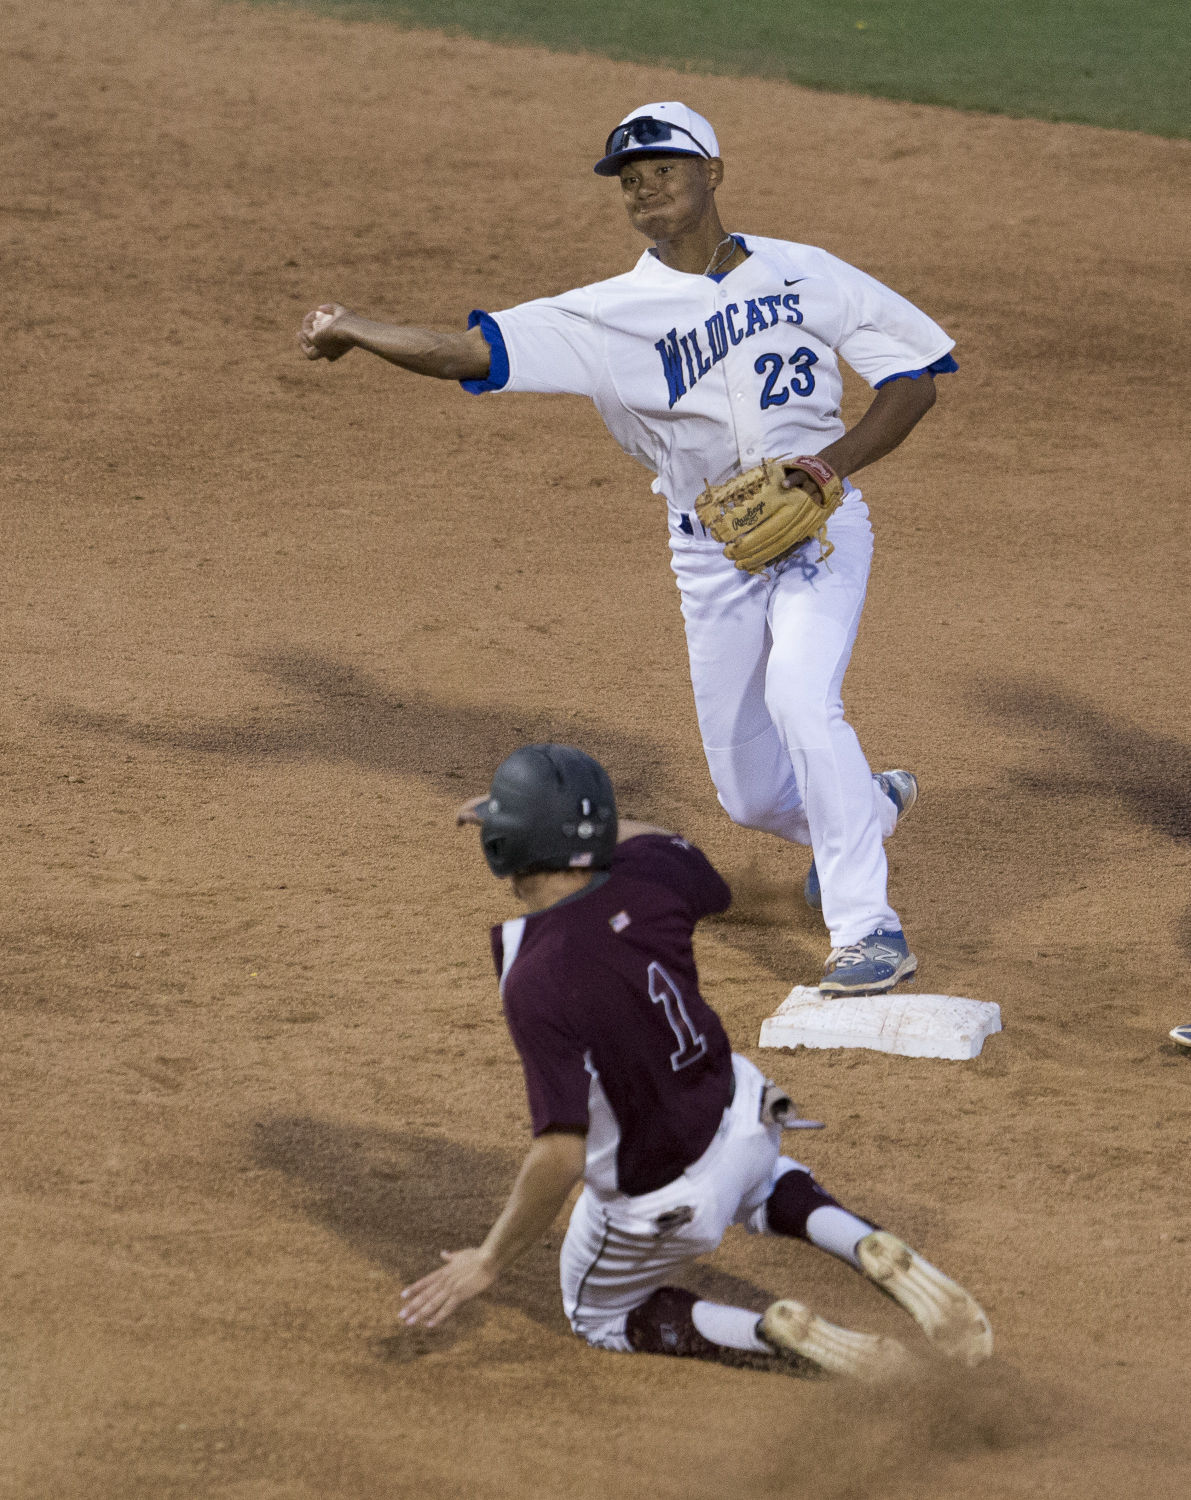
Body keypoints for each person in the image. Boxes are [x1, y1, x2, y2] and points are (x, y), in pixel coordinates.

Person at [299, 102, 957, 995]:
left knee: (805, 702)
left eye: (663, 168)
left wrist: (826, 471)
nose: (646, 187)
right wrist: (353, 326)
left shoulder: (809, 275)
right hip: (710, 555)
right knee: (753, 797)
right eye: (630, 178)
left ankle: (867, 929)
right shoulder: (604, 314)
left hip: (820, 529)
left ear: (712, 171)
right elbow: (466, 352)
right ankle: (867, 806)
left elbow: (913, 381)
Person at [397, 743, 992, 1377]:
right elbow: (656, 842)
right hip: (747, 1117)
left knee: (595, 1312)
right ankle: (858, 1238)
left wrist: (486, 1260)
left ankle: (770, 1331)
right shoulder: (655, 873)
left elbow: (560, 1153)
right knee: (759, 1179)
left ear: (505, 847)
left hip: (666, 1202)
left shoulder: (535, 976)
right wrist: (568, 820)